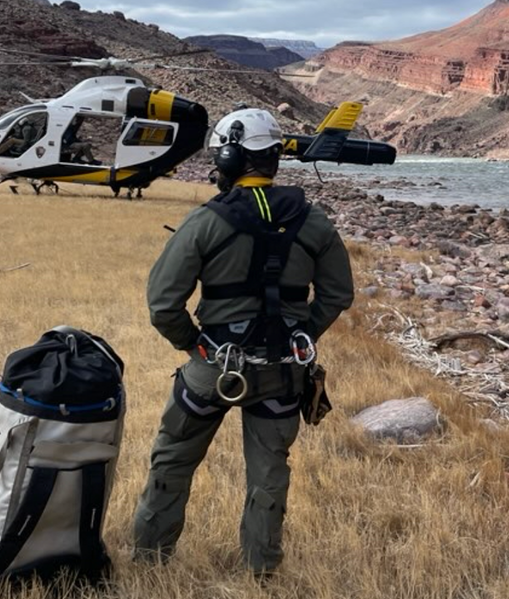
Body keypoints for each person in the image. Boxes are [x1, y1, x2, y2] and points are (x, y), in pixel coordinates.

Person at [134, 108, 354, 577]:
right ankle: (261, 571)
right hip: (281, 374)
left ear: (231, 157)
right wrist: (303, 336)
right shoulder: (312, 221)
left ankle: (151, 560)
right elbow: (338, 293)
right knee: (269, 475)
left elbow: (162, 303)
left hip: (212, 368)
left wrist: (193, 345)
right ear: (274, 158)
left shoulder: (206, 221)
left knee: (172, 459)